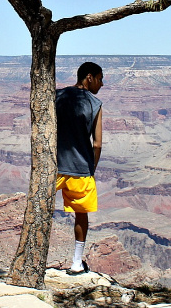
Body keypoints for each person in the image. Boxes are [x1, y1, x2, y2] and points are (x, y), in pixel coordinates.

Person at [55, 61, 104, 275]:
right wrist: (91, 167)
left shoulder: (57, 96)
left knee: (42, 208)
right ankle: (76, 263)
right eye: (100, 79)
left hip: (54, 165)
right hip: (81, 168)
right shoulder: (95, 104)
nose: (102, 84)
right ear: (89, 77)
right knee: (81, 214)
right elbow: (98, 143)